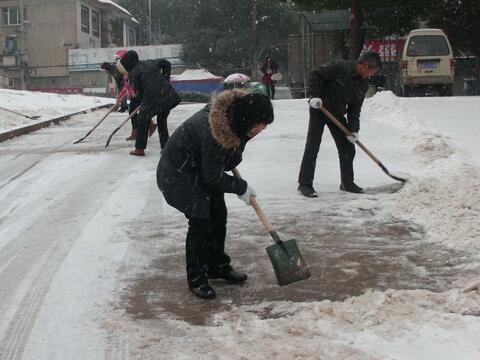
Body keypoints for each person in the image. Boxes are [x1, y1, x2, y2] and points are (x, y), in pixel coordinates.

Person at [157, 89, 274, 299]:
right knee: (201, 220)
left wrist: (242, 141)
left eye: (263, 127)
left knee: (218, 213)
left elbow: (227, 160)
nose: (260, 130)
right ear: (246, 118)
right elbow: (213, 177)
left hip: (199, 170)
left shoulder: (235, 121)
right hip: (178, 175)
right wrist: (240, 187)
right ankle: (196, 277)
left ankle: (216, 265)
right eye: (257, 126)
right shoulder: (214, 130)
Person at [297, 51, 381, 197]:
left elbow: (355, 109)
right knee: (313, 146)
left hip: (336, 113)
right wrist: (315, 95)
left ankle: (347, 182)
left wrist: (354, 130)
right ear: (364, 66)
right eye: (371, 71)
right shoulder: (340, 67)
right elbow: (315, 74)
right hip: (320, 107)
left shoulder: (363, 83)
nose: (371, 75)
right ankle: (304, 184)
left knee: (348, 147)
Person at [117, 50, 181, 156]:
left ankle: (140, 149)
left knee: (142, 119)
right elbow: (167, 64)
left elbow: (138, 94)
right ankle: (165, 147)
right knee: (162, 120)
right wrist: (166, 79)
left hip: (154, 98)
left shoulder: (134, 73)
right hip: (167, 95)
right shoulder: (150, 62)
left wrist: (143, 104)